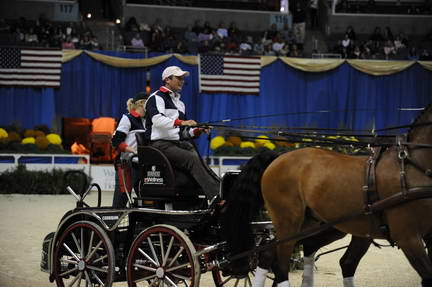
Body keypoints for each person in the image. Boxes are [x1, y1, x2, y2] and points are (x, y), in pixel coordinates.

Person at [144, 66, 220, 207]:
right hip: (159, 145)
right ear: (167, 79)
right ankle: (216, 196)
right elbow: (157, 120)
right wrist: (182, 122)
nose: (182, 81)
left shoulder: (180, 104)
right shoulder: (156, 97)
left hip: (176, 143)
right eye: (178, 78)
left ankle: (221, 190)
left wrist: (197, 130)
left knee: (198, 158)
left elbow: (182, 132)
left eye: (183, 78)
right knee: (191, 159)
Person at [111, 92, 148, 208]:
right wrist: (131, 149)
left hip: (142, 165)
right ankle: (113, 222)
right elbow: (116, 141)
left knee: (145, 198)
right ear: (142, 103)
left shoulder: (149, 121)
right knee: (121, 198)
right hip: (127, 165)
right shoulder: (127, 118)